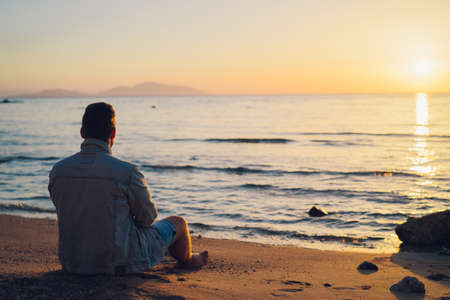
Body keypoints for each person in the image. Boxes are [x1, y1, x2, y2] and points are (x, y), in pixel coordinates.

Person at [48, 102, 208, 275]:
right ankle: (189, 260)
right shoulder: (126, 172)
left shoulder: (58, 170)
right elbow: (148, 219)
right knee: (179, 223)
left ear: (82, 133)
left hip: (72, 263)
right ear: (113, 133)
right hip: (117, 264)